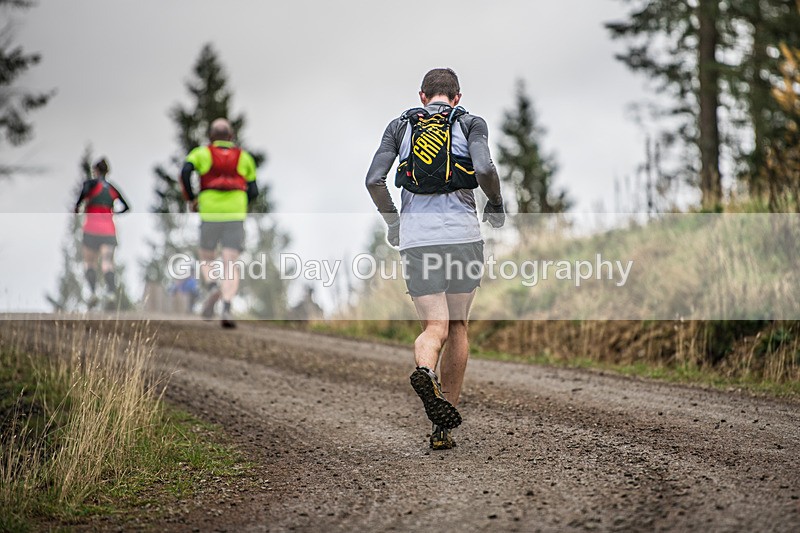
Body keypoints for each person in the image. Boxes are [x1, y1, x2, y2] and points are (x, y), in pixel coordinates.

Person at [365, 68, 505, 449]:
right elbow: (485, 169)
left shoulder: (400, 126)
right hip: (462, 238)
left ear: (423, 96)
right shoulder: (471, 123)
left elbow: (374, 181)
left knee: (434, 327)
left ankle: (425, 370)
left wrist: (394, 224)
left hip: (418, 241)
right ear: (456, 97)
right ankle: (443, 426)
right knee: (458, 325)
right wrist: (495, 202)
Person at [180, 118, 258, 329]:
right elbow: (253, 190)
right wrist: (241, 204)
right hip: (235, 214)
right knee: (231, 261)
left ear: (211, 137)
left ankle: (213, 286)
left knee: (207, 256)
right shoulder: (244, 157)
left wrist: (191, 198)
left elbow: (185, 171)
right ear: (231, 137)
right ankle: (226, 304)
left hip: (210, 212)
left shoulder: (202, 153)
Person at [74, 157, 130, 308]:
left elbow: (80, 200)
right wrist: (115, 213)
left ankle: (92, 293)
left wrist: (78, 208)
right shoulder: (112, 188)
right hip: (108, 230)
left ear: (95, 170)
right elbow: (127, 206)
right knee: (107, 263)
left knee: (89, 263)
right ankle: (111, 293)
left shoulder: (90, 185)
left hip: (91, 229)